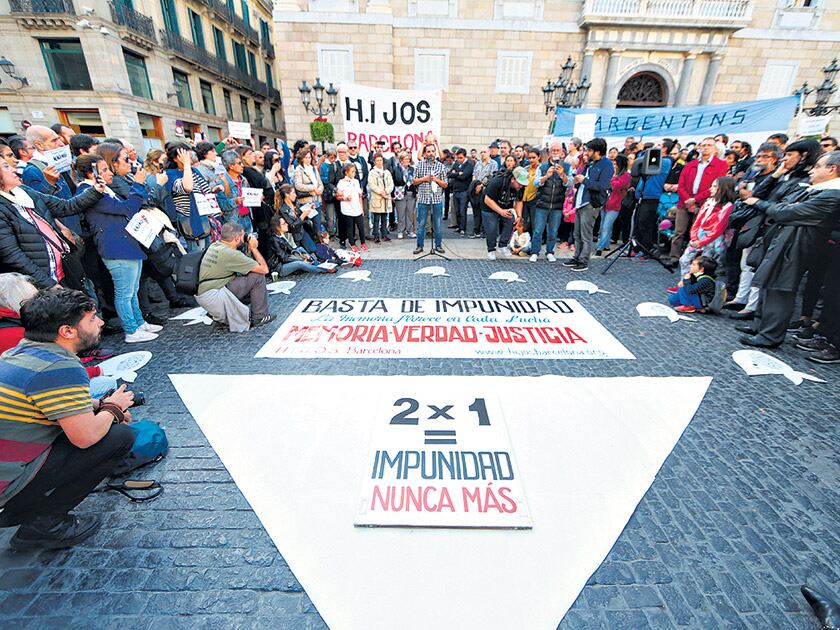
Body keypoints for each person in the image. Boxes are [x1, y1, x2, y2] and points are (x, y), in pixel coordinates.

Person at [0, 288, 135, 550]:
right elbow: (86, 438)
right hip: (7, 485)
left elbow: (53, 403)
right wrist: (113, 409)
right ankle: (45, 524)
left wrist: (102, 406)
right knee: (119, 438)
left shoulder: (21, 351)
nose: (101, 322)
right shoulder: (61, 367)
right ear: (67, 331)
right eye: (92, 318)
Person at [739, 151, 840, 349]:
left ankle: (770, 336)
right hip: (787, 241)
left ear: (832, 169)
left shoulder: (832, 195)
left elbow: (785, 212)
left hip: (798, 247)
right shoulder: (816, 190)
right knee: (769, 284)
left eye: (818, 166)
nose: (812, 170)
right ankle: (762, 327)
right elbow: (782, 203)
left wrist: (758, 203)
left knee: (781, 288)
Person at [729, 139, 821, 322]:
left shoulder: (805, 180)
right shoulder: (786, 174)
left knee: (770, 277)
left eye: (789, 155)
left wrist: (759, 203)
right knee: (751, 265)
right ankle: (753, 311)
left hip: (785, 232)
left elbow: (782, 207)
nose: (785, 159)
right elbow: (758, 194)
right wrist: (776, 175)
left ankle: (758, 314)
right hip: (766, 226)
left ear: (803, 156)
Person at [75, 154, 161, 344]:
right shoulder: (88, 192)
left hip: (126, 243)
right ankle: (131, 330)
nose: (109, 173)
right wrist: (138, 184)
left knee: (133, 289)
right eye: (104, 169)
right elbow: (126, 208)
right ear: (91, 173)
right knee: (125, 292)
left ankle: (139, 323)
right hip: (115, 248)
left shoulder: (102, 189)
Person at [0, 158, 103, 290]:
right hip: (48, 282)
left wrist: (95, 190)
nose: (14, 169)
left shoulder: (24, 191)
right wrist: (49, 284)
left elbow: (65, 206)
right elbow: (13, 255)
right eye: (6, 167)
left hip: (68, 268)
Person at [196, 222, 271, 331]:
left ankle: (218, 314)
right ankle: (260, 317)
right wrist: (254, 248)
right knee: (258, 277)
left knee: (247, 279)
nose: (244, 239)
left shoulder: (216, 245)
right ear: (236, 238)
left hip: (206, 294)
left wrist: (247, 239)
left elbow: (243, 266)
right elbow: (264, 269)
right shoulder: (231, 254)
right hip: (215, 296)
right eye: (242, 236)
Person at [670, 137, 728, 263]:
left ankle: (697, 259)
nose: (706, 148)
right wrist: (688, 200)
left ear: (715, 149)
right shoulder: (691, 164)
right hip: (684, 202)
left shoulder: (721, 165)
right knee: (679, 231)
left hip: (705, 204)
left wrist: (695, 200)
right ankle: (674, 257)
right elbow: (681, 184)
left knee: (699, 233)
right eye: (704, 145)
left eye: (709, 145)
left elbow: (716, 186)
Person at [563, 138, 613, 272]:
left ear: (598, 151)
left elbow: (602, 186)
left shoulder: (607, 165)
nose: (587, 152)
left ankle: (584, 261)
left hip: (590, 203)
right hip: (580, 201)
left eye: (590, 150)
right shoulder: (590, 164)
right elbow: (583, 180)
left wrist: (584, 180)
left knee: (586, 234)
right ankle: (577, 257)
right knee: (577, 233)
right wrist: (578, 180)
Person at [670, 176, 736, 277]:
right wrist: (694, 237)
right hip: (700, 233)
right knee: (684, 260)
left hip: (712, 239)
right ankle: (686, 283)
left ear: (723, 189)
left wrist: (702, 241)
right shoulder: (709, 202)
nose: (710, 188)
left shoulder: (727, 206)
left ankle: (697, 286)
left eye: (714, 186)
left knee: (704, 265)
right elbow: (698, 221)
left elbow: (719, 227)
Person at [529, 140, 569, 262]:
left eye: (558, 150)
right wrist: (546, 176)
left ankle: (550, 252)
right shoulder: (542, 166)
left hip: (557, 204)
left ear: (562, 153)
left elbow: (570, 183)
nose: (555, 153)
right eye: (553, 151)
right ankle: (535, 252)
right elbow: (536, 182)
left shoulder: (567, 167)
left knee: (553, 231)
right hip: (542, 203)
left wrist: (562, 175)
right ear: (549, 153)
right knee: (537, 230)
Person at [482, 166, 528, 260]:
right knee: (492, 228)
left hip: (506, 207)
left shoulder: (520, 187)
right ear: (513, 180)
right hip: (489, 206)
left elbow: (519, 201)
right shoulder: (497, 182)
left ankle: (502, 245)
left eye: (523, 184)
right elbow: (487, 199)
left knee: (511, 222)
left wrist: (519, 216)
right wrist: (501, 211)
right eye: (519, 183)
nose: (521, 186)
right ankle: (491, 250)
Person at [412, 139, 449, 255]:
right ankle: (420, 245)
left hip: (437, 199)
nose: (431, 153)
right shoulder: (419, 165)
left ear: (435, 153)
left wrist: (436, 180)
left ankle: (438, 245)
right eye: (428, 151)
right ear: (425, 153)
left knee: (437, 224)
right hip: (423, 198)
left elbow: (446, 184)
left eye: (433, 151)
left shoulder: (441, 166)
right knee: (421, 223)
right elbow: (414, 181)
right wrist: (424, 179)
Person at [267, 215, 332, 276]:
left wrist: (303, 255)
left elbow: (292, 250)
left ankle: (316, 263)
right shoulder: (274, 240)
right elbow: (283, 258)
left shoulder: (283, 235)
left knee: (300, 249)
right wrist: (302, 260)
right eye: (284, 224)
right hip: (278, 268)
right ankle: (323, 269)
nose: (287, 224)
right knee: (299, 263)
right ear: (277, 227)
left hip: (285, 261)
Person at [597, 154, 630, 256]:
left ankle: (600, 247)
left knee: (606, 226)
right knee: (603, 225)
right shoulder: (612, 174)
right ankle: (606, 244)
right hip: (605, 203)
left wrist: (613, 177)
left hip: (615, 205)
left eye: (616, 164)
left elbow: (615, 186)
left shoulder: (626, 176)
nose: (614, 166)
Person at [336, 163, 366, 251]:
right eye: (352, 172)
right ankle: (352, 243)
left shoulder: (356, 181)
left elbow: (360, 195)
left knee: (361, 226)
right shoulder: (341, 183)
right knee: (350, 227)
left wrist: (362, 208)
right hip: (347, 209)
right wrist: (345, 198)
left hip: (357, 208)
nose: (354, 173)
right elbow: (338, 196)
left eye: (355, 171)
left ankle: (363, 242)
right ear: (346, 172)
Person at [293, 147, 324, 233]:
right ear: (301, 158)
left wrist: (319, 190)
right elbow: (298, 185)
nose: (308, 159)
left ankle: (319, 244)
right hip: (306, 202)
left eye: (309, 157)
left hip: (317, 200)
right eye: (306, 157)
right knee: (308, 226)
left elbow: (320, 183)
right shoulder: (298, 170)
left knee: (317, 225)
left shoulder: (313, 168)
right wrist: (313, 188)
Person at [215, 149, 248, 227]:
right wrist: (235, 201)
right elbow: (221, 204)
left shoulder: (244, 179)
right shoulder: (222, 182)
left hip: (247, 218)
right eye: (239, 163)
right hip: (233, 222)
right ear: (231, 166)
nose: (242, 165)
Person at [471, 147, 498, 238]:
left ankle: (484, 231)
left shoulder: (493, 164)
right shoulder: (478, 163)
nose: (483, 153)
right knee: (476, 211)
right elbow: (474, 175)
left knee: (484, 211)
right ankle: (476, 230)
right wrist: (475, 185)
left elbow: (492, 177)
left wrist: (481, 185)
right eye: (481, 152)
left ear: (489, 153)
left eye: (484, 152)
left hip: (486, 190)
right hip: (476, 190)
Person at [368, 153, 394, 243]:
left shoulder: (387, 172)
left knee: (384, 218)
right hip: (377, 198)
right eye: (377, 160)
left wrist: (386, 191)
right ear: (374, 162)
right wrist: (381, 192)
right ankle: (376, 235)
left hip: (386, 198)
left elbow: (391, 184)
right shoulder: (372, 173)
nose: (379, 162)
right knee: (376, 219)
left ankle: (384, 235)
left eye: (381, 160)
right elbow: (372, 185)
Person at [448, 148, 474, 235]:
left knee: (463, 211)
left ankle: (463, 228)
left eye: (461, 158)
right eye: (458, 158)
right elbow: (450, 174)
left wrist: (456, 174)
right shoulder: (456, 164)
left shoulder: (469, 165)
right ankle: (459, 227)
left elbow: (464, 177)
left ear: (464, 157)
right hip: (456, 190)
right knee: (457, 210)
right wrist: (458, 173)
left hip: (464, 191)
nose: (459, 160)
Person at [393, 151, 416, 239]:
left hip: (411, 193)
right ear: (401, 160)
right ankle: (400, 231)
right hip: (400, 193)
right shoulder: (396, 169)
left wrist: (416, 192)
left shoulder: (412, 169)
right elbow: (395, 181)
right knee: (401, 214)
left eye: (408, 159)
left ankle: (409, 230)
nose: (408, 160)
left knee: (410, 213)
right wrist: (392, 196)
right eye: (406, 159)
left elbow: (415, 181)